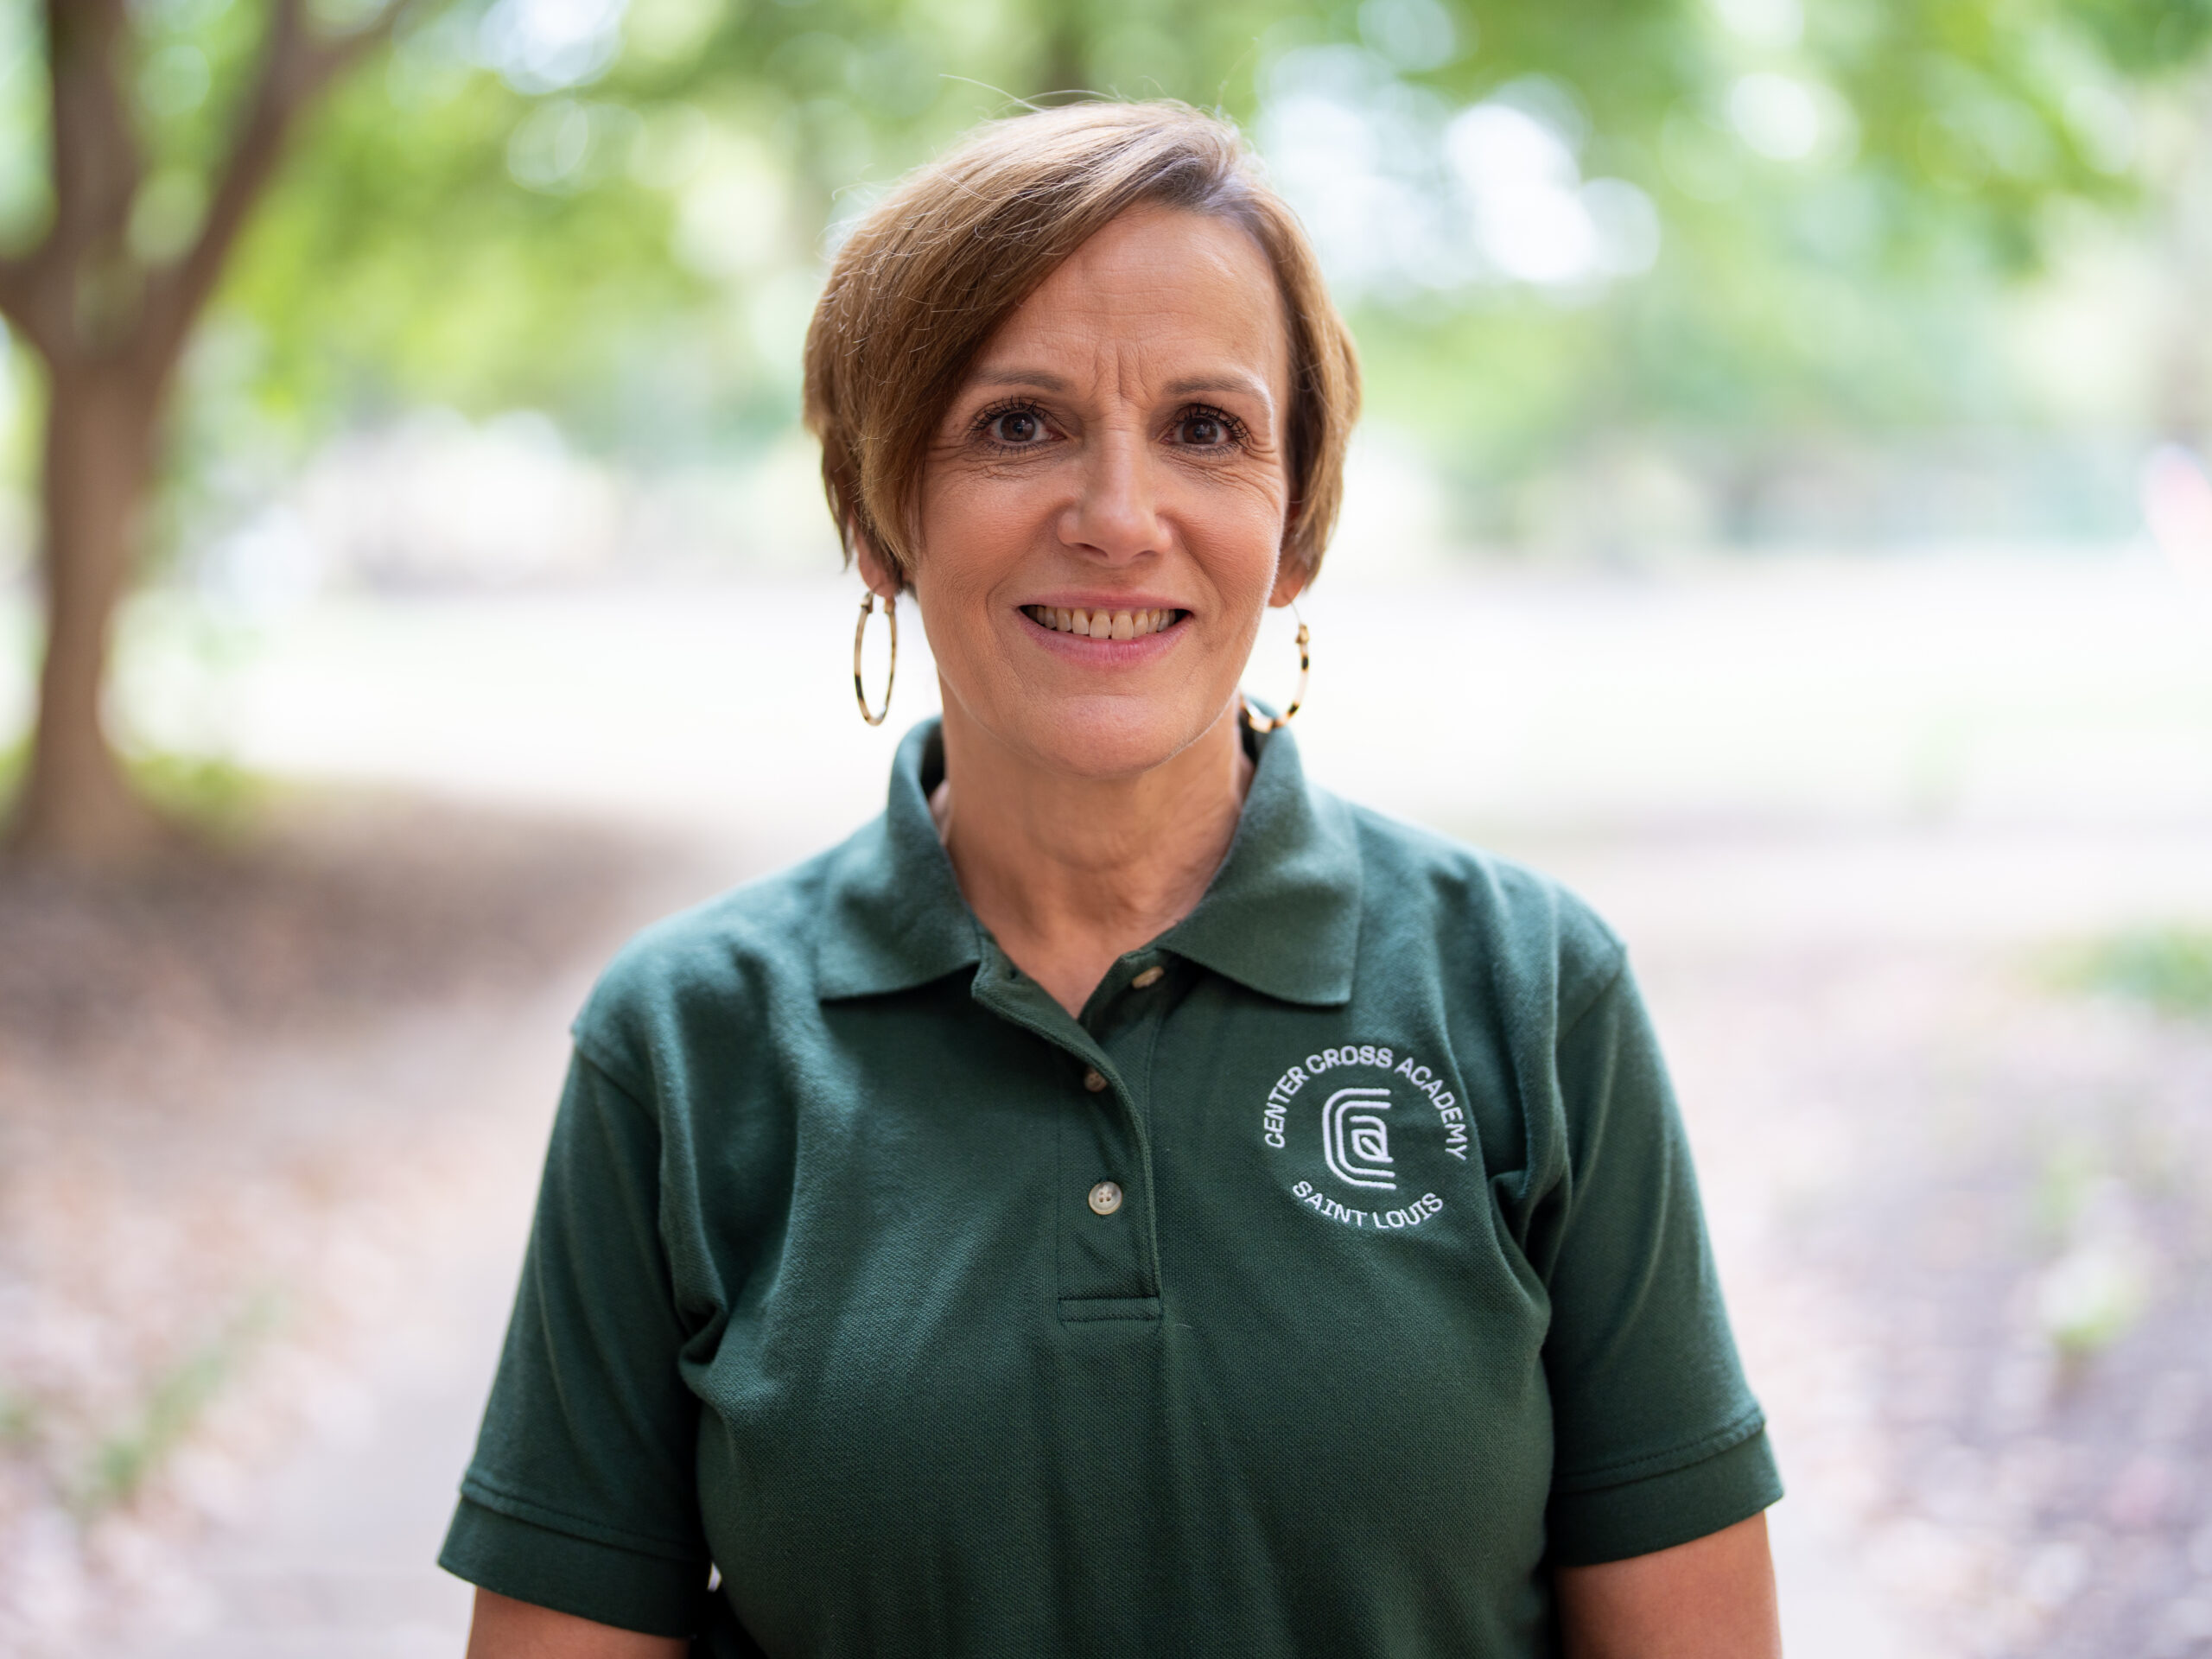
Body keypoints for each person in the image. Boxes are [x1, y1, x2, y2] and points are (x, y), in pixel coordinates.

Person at [441, 99, 1784, 1659]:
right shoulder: (683, 1045)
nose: (1118, 518)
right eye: (1018, 424)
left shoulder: (1533, 990)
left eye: (1208, 430)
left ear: (1296, 527)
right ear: (881, 511)